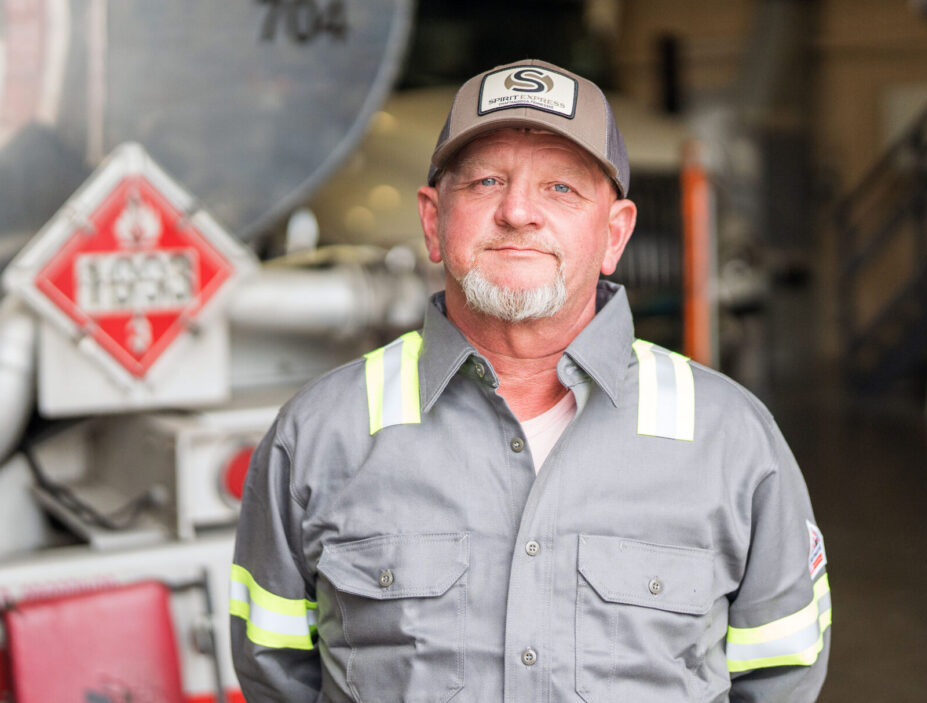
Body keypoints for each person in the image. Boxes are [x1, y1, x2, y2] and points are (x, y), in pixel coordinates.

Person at [230, 58, 831, 702]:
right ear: (433, 221)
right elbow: (275, 672)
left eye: (561, 189)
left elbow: (781, 675)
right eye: (486, 182)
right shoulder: (320, 435)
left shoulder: (731, 440)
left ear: (614, 234)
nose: (518, 211)